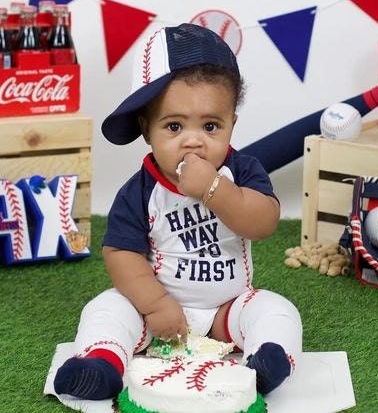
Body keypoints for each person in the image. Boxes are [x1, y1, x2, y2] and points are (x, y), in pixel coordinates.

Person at [54, 23, 302, 400]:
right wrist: (156, 305)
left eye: (211, 125)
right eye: (173, 126)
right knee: (105, 308)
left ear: (231, 124)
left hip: (226, 310)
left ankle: (264, 363)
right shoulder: (140, 190)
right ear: (146, 129)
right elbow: (121, 252)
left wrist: (214, 188)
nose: (194, 140)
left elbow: (263, 222)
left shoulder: (241, 170)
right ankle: (102, 363)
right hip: (156, 313)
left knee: (276, 310)